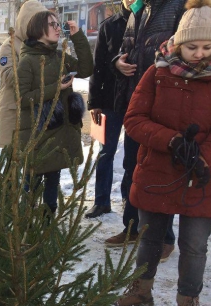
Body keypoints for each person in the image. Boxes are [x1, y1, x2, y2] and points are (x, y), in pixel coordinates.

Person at [116, 0, 211, 306]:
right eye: (192, 46)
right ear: (178, 42)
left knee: (195, 245)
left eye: (207, 47)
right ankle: (141, 289)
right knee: (151, 236)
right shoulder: (157, 71)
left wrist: (204, 155)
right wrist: (173, 141)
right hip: (158, 169)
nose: (199, 54)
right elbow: (134, 120)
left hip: (202, 175)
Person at [105, 0, 186, 261]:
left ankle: (164, 238)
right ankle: (131, 227)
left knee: (160, 171)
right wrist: (118, 62)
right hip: (135, 104)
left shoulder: (177, 8)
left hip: (164, 107)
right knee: (133, 167)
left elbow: (186, 55)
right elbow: (124, 49)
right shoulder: (138, 10)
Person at [16, 12, 93, 213]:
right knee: (30, 188)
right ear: (38, 29)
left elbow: (86, 69)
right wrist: (56, 88)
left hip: (58, 134)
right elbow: (22, 99)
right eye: (52, 24)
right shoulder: (27, 61)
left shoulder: (59, 56)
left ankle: (48, 228)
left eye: (59, 24)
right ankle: (25, 232)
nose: (58, 28)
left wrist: (77, 36)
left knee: (52, 187)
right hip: (38, 136)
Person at [85, 0, 133, 218]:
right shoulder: (108, 26)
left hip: (136, 102)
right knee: (105, 152)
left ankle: (129, 200)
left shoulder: (147, 23)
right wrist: (94, 102)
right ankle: (101, 201)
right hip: (109, 101)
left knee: (133, 156)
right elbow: (98, 67)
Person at [0, 0, 47, 147]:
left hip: (34, 114)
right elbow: (9, 76)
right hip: (13, 115)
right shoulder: (8, 47)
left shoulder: (40, 46)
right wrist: (38, 70)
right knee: (12, 164)